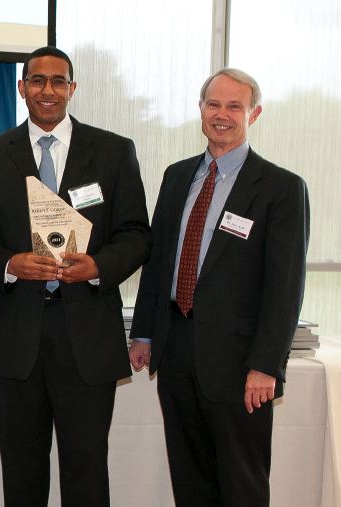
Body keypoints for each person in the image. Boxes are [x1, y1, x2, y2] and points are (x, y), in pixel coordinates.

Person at [0, 46, 150, 506]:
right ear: (22, 88)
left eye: (57, 81)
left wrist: (99, 267)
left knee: (86, 473)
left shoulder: (112, 151)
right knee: (21, 475)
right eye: (37, 81)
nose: (46, 91)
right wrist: (10, 264)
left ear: (72, 89)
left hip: (87, 340)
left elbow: (136, 234)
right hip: (16, 341)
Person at [128, 68, 309, 506]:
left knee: (241, 485)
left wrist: (266, 365)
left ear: (254, 114)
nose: (222, 115)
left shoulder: (281, 188)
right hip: (176, 351)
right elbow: (158, 263)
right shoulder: (177, 177)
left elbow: (285, 288)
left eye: (234, 106)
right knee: (190, 482)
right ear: (201, 110)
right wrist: (145, 331)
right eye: (213, 104)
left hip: (241, 364)